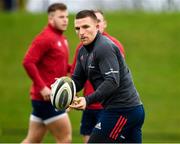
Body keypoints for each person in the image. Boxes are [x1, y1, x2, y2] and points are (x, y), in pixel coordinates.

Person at [70, 10, 145, 143]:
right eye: (77, 28)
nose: (81, 32)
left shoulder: (104, 47)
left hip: (122, 110)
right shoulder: (83, 51)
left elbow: (112, 82)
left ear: (97, 27)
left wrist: (87, 100)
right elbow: (78, 80)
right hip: (129, 110)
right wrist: (65, 90)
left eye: (86, 26)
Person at [22, 3, 72, 143]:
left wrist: (74, 68)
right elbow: (28, 62)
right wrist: (42, 87)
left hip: (43, 100)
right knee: (65, 138)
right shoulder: (45, 38)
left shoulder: (61, 38)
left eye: (67, 16)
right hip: (48, 99)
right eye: (61, 17)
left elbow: (58, 64)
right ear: (51, 19)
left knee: (32, 140)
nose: (65, 20)